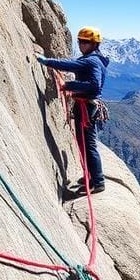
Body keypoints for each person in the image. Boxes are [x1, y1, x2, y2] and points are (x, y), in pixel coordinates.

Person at [37, 27, 110, 196]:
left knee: (88, 144)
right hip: (86, 105)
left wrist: (68, 84)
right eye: (80, 41)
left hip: (86, 107)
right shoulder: (93, 60)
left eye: (84, 42)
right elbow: (71, 65)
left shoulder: (91, 61)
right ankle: (91, 177)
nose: (80, 44)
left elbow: (94, 85)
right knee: (84, 143)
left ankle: (97, 182)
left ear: (93, 44)